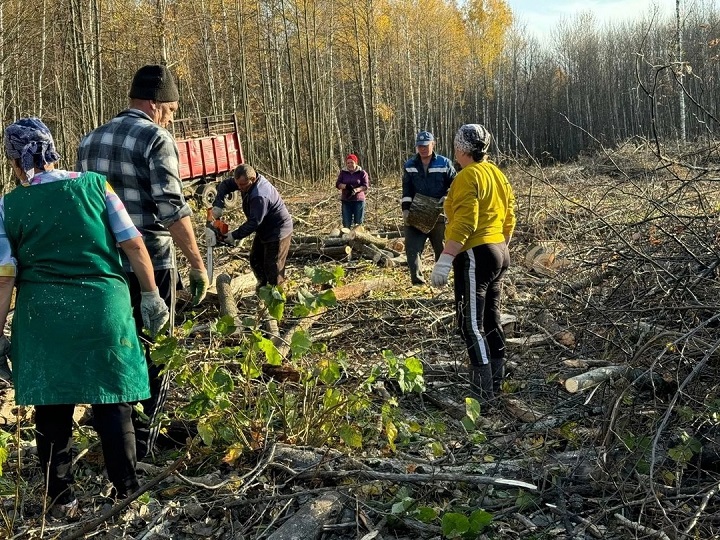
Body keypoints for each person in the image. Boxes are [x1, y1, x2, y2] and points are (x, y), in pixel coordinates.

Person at [0, 118, 170, 516]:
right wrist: (150, 295)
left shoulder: (10, 204)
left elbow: (4, 275)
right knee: (113, 400)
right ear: (51, 149)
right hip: (103, 309)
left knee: (51, 404)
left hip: (45, 319)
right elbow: (133, 243)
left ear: (14, 159)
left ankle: (62, 500)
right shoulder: (96, 186)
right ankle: (127, 492)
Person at [76, 64, 209, 461]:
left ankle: (118, 441)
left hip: (105, 265)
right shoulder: (156, 137)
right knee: (157, 348)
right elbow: (171, 208)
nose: (171, 117)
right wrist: (198, 265)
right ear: (154, 104)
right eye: (170, 109)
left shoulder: (90, 140)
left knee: (117, 348)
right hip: (151, 259)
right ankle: (146, 443)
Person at [430, 124, 516, 405]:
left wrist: (446, 258)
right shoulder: (498, 174)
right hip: (499, 251)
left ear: (460, 148)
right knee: (491, 318)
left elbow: (466, 222)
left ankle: (483, 392)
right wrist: (500, 245)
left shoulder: (467, 177)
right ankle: (497, 381)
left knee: (470, 324)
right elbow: (510, 216)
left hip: (475, 254)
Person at [211, 164, 293, 288]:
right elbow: (225, 185)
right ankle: (263, 287)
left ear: (253, 179)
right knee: (255, 260)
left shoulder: (260, 195)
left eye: (242, 185)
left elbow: (254, 223)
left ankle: (277, 296)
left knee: (273, 268)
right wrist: (218, 204)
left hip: (278, 231)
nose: (239, 188)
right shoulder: (243, 181)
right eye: (237, 184)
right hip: (264, 229)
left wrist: (233, 235)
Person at [401, 130, 456, 285]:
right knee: (412, 247)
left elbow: (456, 184)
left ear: (433, 144)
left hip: (438, 210)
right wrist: (405, 209)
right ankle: (417, 281)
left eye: (426, 145)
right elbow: (407, 189)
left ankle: (441, 279)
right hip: (416, 210)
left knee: (441, 247)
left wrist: (448, 196)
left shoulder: (444, 163)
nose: (423, 149)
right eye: (420, 146)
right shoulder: (410, 165)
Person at [335, 154, 369, 228]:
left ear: (356, 163)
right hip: (346, 200)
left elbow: (365, 186)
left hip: (358, 200)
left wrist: (356, 190)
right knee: (346, 223)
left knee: (358, 224)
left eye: (352, 162)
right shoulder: (343, 172)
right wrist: (346, 186)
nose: (350, 165)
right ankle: (346, 238)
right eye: (348, 163)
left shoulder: (362, 173)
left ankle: (358, 237)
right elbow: (338, 184)